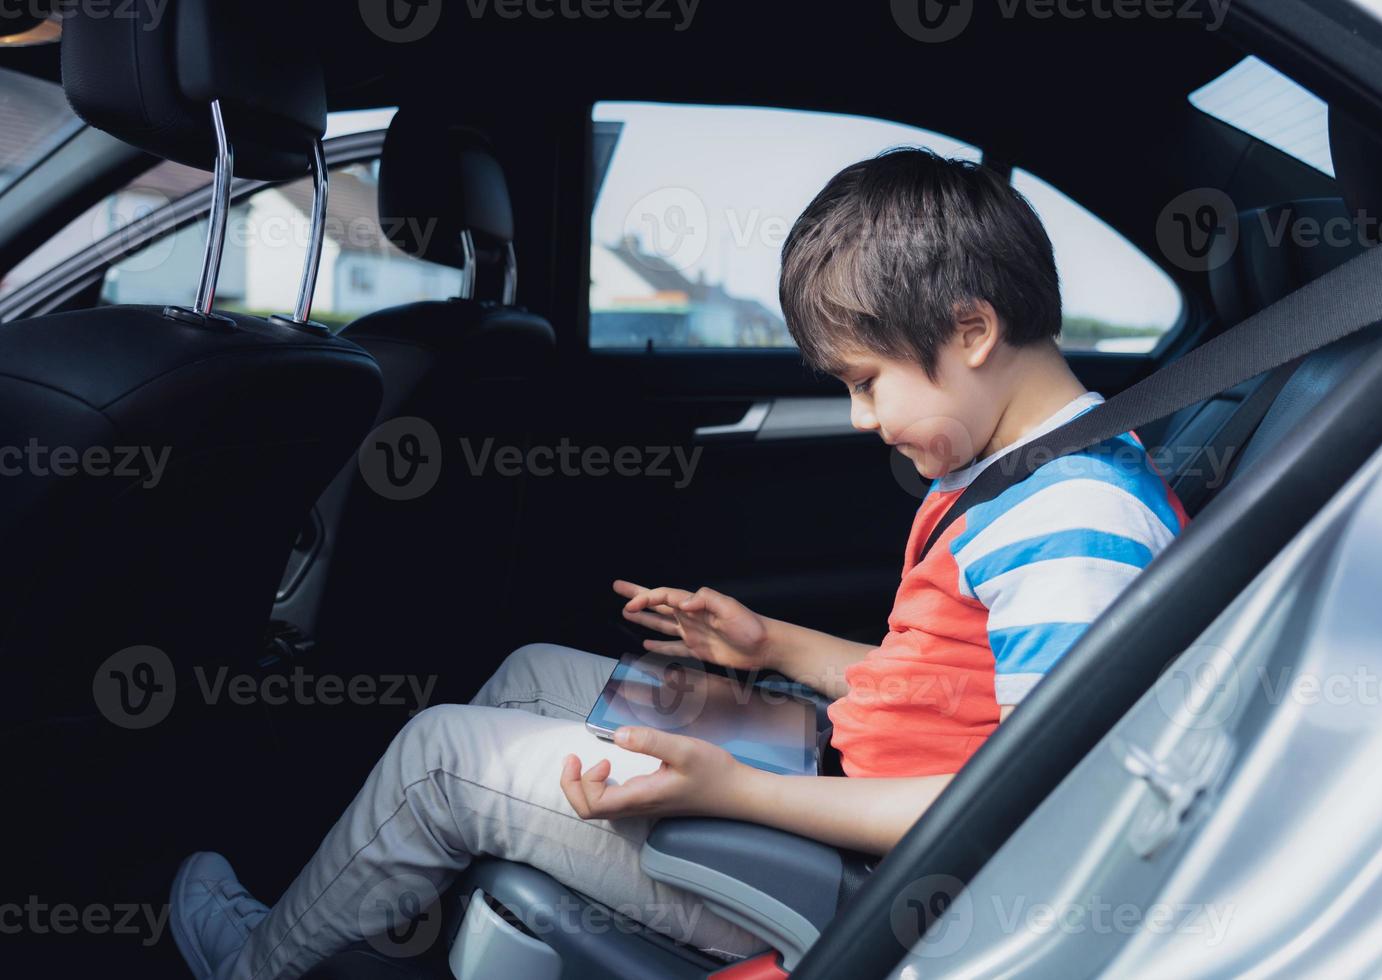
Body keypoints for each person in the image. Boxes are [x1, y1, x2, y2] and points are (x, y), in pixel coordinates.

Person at [169, 147, 1187, 979]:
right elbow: (950, 691)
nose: (861, 417)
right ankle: (393, 903)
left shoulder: (1077, 522)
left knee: (443, 752)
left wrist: (731, 790)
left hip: (874, 888)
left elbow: (1028, 802)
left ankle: (258, 966)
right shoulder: (1023, 475)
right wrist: (771, 640)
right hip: (846, 788)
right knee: (528, 668)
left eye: (867, 381)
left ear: (972, 329)